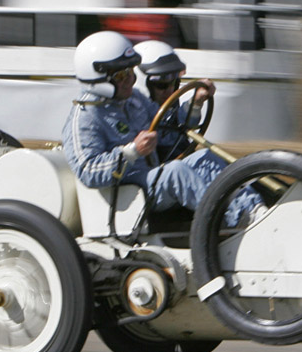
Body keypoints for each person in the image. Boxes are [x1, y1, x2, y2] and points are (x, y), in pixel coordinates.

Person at [62, 31, 263, 226]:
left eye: (131, 72)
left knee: (205, 158)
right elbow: (88, 171)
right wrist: (132, 152)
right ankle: (234, 221)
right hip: (127, 192)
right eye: (122, 75)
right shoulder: (85, 117)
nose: (131, 80)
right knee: (176, 171)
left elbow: (168, 130)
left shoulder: (133, 100)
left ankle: (256, 209)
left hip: (151, 178)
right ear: (98, 78)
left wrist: (195, 104)